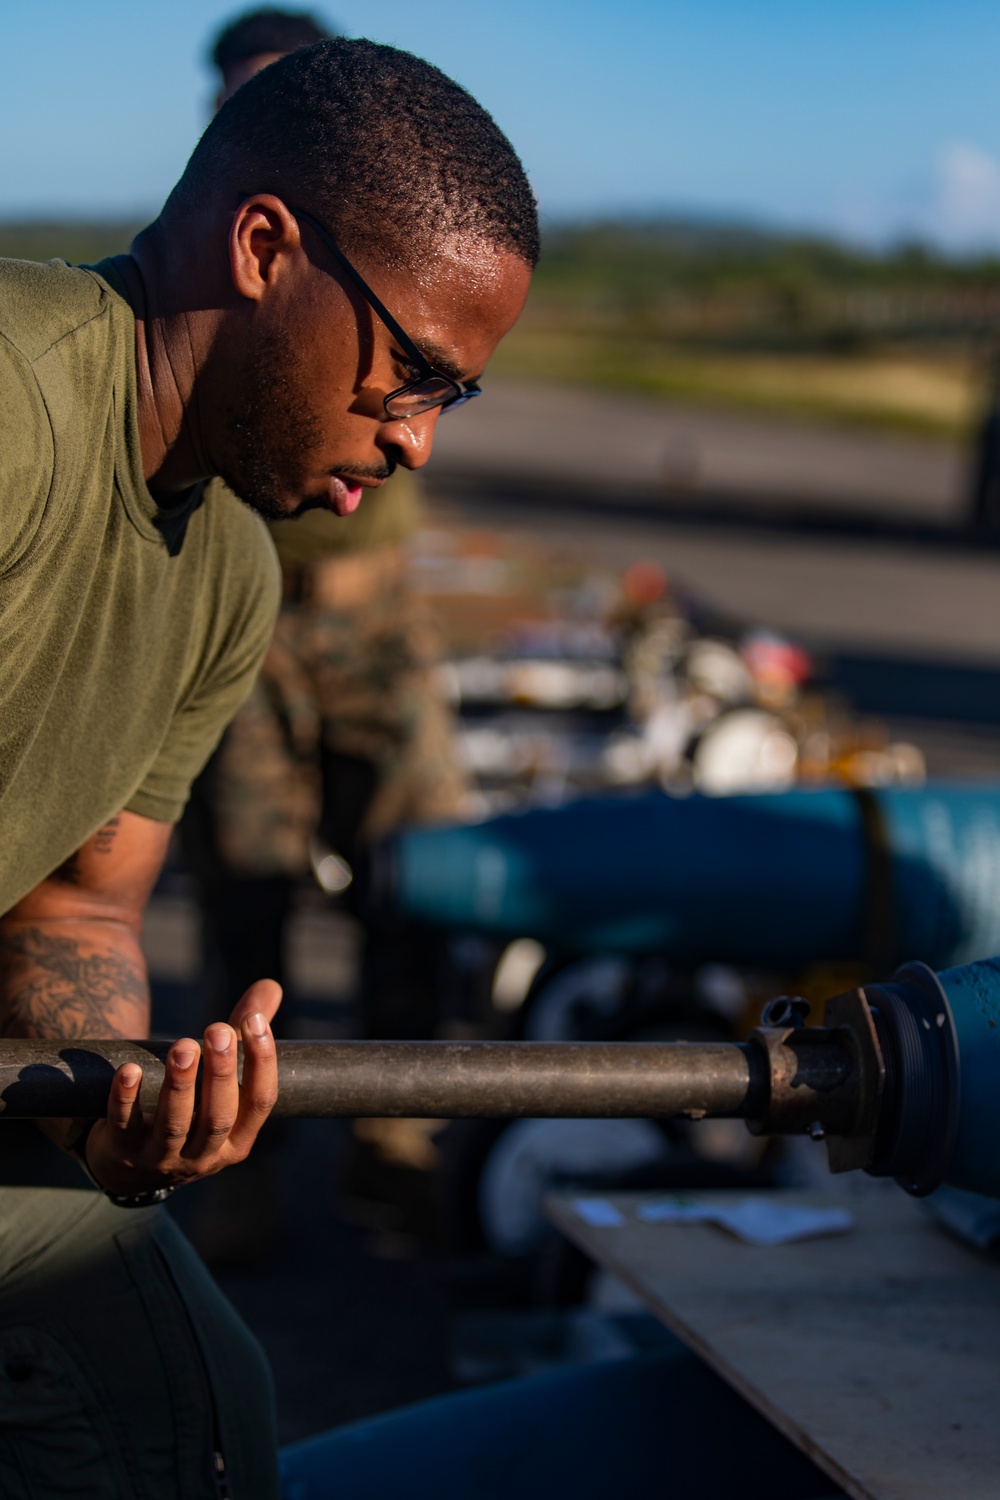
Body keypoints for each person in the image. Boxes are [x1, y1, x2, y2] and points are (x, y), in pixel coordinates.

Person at [0, 36, 535, 1496]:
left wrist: (113, 1108)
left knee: (193, 1412)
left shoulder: (229, 569)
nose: (418, 442)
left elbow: (75, 903)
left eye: (455, 399)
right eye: (412, 372)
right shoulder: (14, 409)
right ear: (262, 247)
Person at [184, 8, 470, 1033]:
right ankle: (234, 1172)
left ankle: (395, 1157)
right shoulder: (210, 258)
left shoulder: (386, 255)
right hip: (242, 628)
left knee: (416, 884)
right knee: (243, 897)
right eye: (238, 90)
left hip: (373, 613)